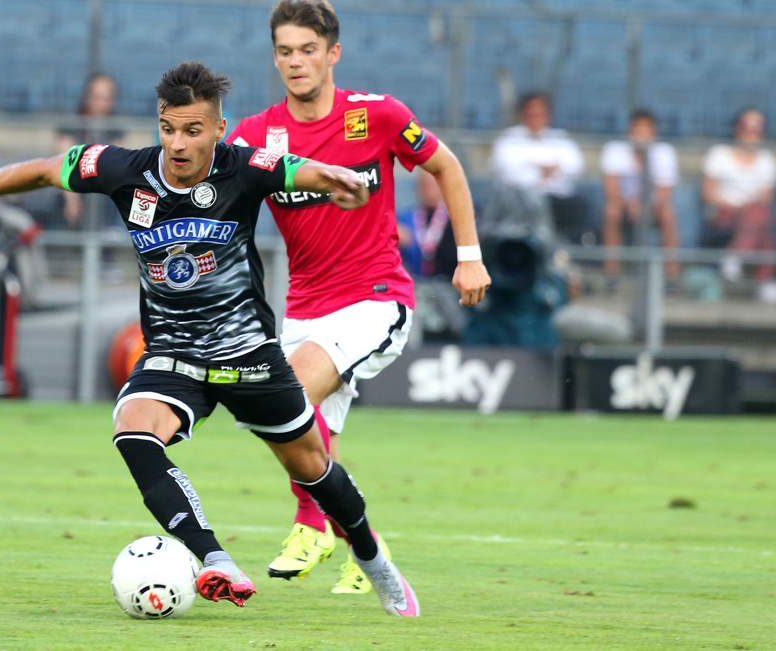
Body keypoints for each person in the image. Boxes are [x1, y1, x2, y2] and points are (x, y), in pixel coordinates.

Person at [0, 61, 420, 617]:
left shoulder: (244, 166)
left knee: (312, 468)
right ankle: (216, 560)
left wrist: (337, 180)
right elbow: (49, 170)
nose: (178, 143)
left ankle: (372, 558)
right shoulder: (125, 171)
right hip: (172, 352)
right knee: (133, 432)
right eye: (168, 128)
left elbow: (298, 171)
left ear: (219, 130)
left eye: (193, 130)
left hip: (248, 355)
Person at [228, 0, 490, 594]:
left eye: (308, 50)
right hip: (304, 308)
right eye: (285, 51)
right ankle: (360, 544)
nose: (296, 62)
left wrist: (469, 257)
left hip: (375, 297)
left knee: (284, 395)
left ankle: (311, 524)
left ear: (333, 54)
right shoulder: (255, 134)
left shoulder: (376, 116)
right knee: (301, 440)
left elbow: (446, 167)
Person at [490, 92, 591, 245]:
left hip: (557, 199)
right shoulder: (509, 139)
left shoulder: (560, 138)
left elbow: (575, 167)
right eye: (531, 113)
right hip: (521, 202)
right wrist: (547, 171)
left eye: (540, 113)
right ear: (523, 114)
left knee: (579, 205)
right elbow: (508, 170)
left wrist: (533, 166)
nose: (536, 118)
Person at [701, 108, 776, 303]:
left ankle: (735, 257)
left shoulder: (767, 160)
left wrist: (747, 208)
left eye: (757, 128)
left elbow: (765, 199)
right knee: (759, 222)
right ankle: (764, 283)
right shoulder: (719, 155)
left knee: (758, 218)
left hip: (752, 216)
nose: (751, 132)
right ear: (736, 128)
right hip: (722, 212)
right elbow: (708, 194)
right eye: (746, 127)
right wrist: (737, 207)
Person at [600, 109, 680, 281]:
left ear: (654, 133)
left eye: (646, 129)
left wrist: (644, 207)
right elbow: (611, 190)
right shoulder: (614, 150)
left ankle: (671, 273)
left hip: (653, 207)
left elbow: (665, 193)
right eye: (638, 129)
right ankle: (611, 271)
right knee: (611, 211)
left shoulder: (665, 153)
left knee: (668, 213)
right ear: (630, 131)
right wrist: (630, 205)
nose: (641, 134)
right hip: (623, 206)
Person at [55, 73, 125, 228]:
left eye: (108, 98)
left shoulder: (115, 127)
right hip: (73, 191)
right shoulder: (72, 124)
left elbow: (118, 163)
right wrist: (72, 201)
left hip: (102, 197)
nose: (103, 103)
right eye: (98, 97)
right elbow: (64, 163)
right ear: (87, 97)